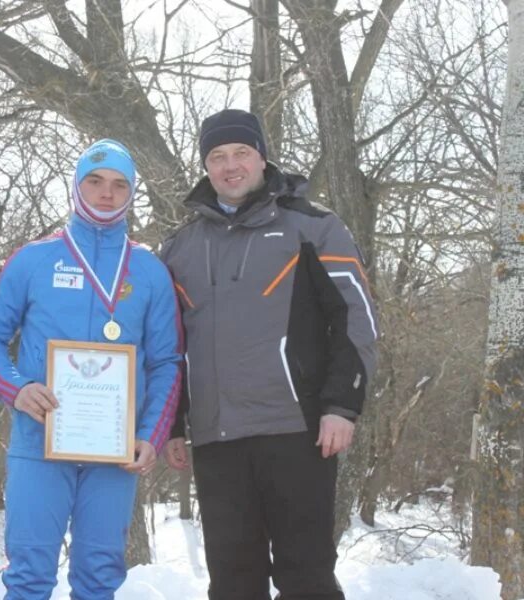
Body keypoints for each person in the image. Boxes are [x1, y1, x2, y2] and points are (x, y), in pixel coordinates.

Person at [161, 109, 378, 600]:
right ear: (205, 166)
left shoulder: (314, 226)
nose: (230, 165)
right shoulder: (178, 247)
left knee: (307, 578)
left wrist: (342, 405)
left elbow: (355, 318)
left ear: (262, 156)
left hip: (297, 430)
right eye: (217, 156)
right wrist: (173, 423)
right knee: (233, 582)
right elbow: (167, 345)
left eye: (241, 152)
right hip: (217, 439)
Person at [0, 139, 182, 600]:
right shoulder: (33, 259)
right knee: (28, 576)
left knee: (99, 577)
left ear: (132, 193)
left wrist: (151, 434)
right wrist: (16, 388)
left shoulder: (149, 270)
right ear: (76, 186)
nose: (107, 193)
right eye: (96, 181)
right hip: (38, 441)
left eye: (120, 185)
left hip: (114, 453)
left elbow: (166, 361)